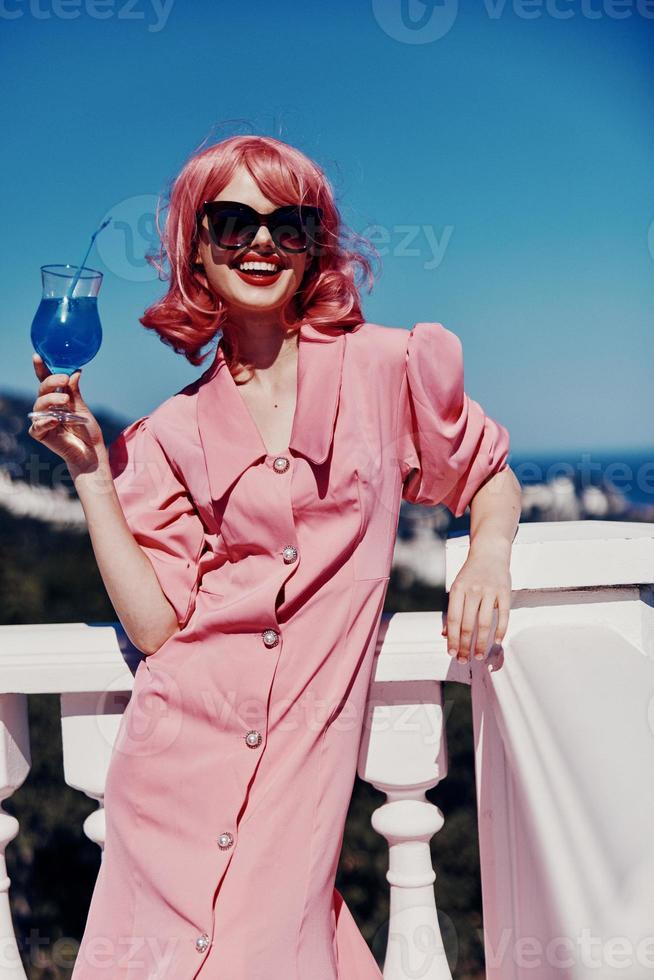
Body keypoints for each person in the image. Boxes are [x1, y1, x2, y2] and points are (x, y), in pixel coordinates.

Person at [28, 134, 522, 980]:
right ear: (195, 248)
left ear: (314, 246)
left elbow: (488, 475)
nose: (261, 243)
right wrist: (92, 476)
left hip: (299, 786)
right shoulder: (172, 433)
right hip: (171, 777)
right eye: (232, 222)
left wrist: (488, 555)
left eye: (288, 225)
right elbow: (156, 627)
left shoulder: (384, 369)